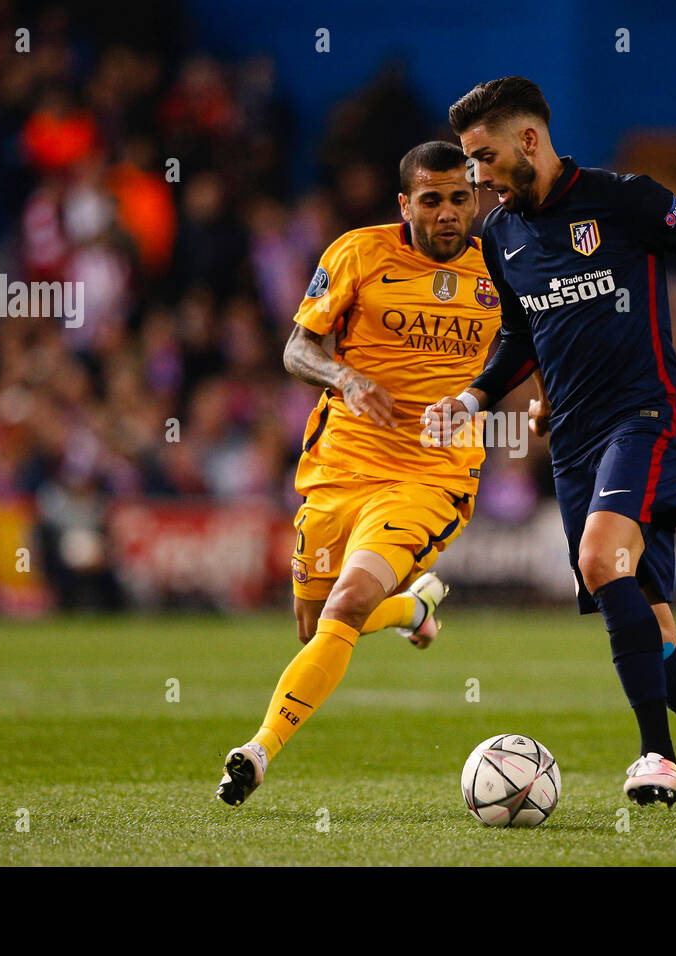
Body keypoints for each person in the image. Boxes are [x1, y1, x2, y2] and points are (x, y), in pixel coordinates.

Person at [428, 77, 676, 827]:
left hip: (646, 418)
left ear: (529, 140)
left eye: (484, 157)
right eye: (469, 163)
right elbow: (521, 333)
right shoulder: (500, 236)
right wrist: (471, 400)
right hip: (573, 447)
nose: (477, 178)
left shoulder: (625, 201)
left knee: (600, 561)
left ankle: (655, 754)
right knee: (654, 630)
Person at [216, 142, 500, 806]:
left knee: (345, 606)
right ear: (406, 204)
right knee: (315, 629)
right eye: (432, 200)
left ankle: (257, 751)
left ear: (477, 199)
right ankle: (413, 606)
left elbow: (534, 354)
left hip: (429, 473)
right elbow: (297, 347)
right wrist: (345, 374)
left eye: (461, 197)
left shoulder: (501, 270)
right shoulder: (358, 253)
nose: (449, 213)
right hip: (341, 463)